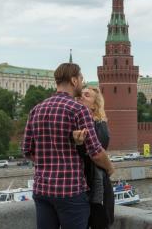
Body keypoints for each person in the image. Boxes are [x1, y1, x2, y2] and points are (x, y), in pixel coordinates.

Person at [22, 63, 114, 229]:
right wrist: (110, 168)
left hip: (42, 190)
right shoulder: (78, 109)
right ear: (73, 80)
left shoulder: (36, 109)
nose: (81, 81)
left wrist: (47, 161)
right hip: (70, 191)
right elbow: (96, 153)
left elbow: (27, 150)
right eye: (80, 78)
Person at [75, 86, 114, 229]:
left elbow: (97, 153)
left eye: (87, 95)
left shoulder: (100, 125)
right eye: (80, 94)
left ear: (95, 105)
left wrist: (109, 167)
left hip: (96, 185)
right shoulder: (75, 123)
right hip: (80, 186)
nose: (81, 97)